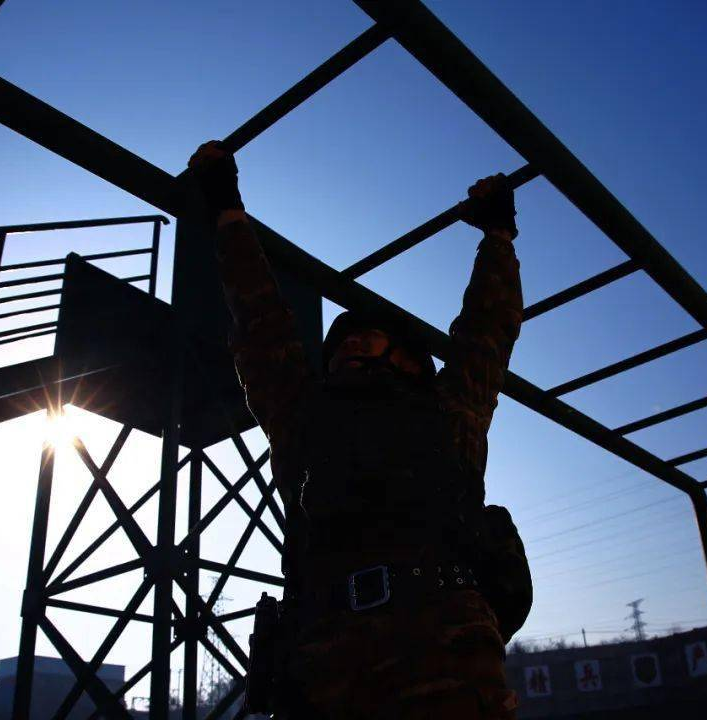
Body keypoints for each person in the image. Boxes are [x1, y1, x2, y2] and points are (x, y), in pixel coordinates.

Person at [188, 141, 532, 720]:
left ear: (411, 361)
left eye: (366, 338)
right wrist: (226, 207)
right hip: (327, 661)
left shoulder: (450, 408)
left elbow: (487, 331)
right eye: (342, 342)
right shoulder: (305, 412)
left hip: (445, 652)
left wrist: (499, 236)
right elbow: (261, 322)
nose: (349, 345)